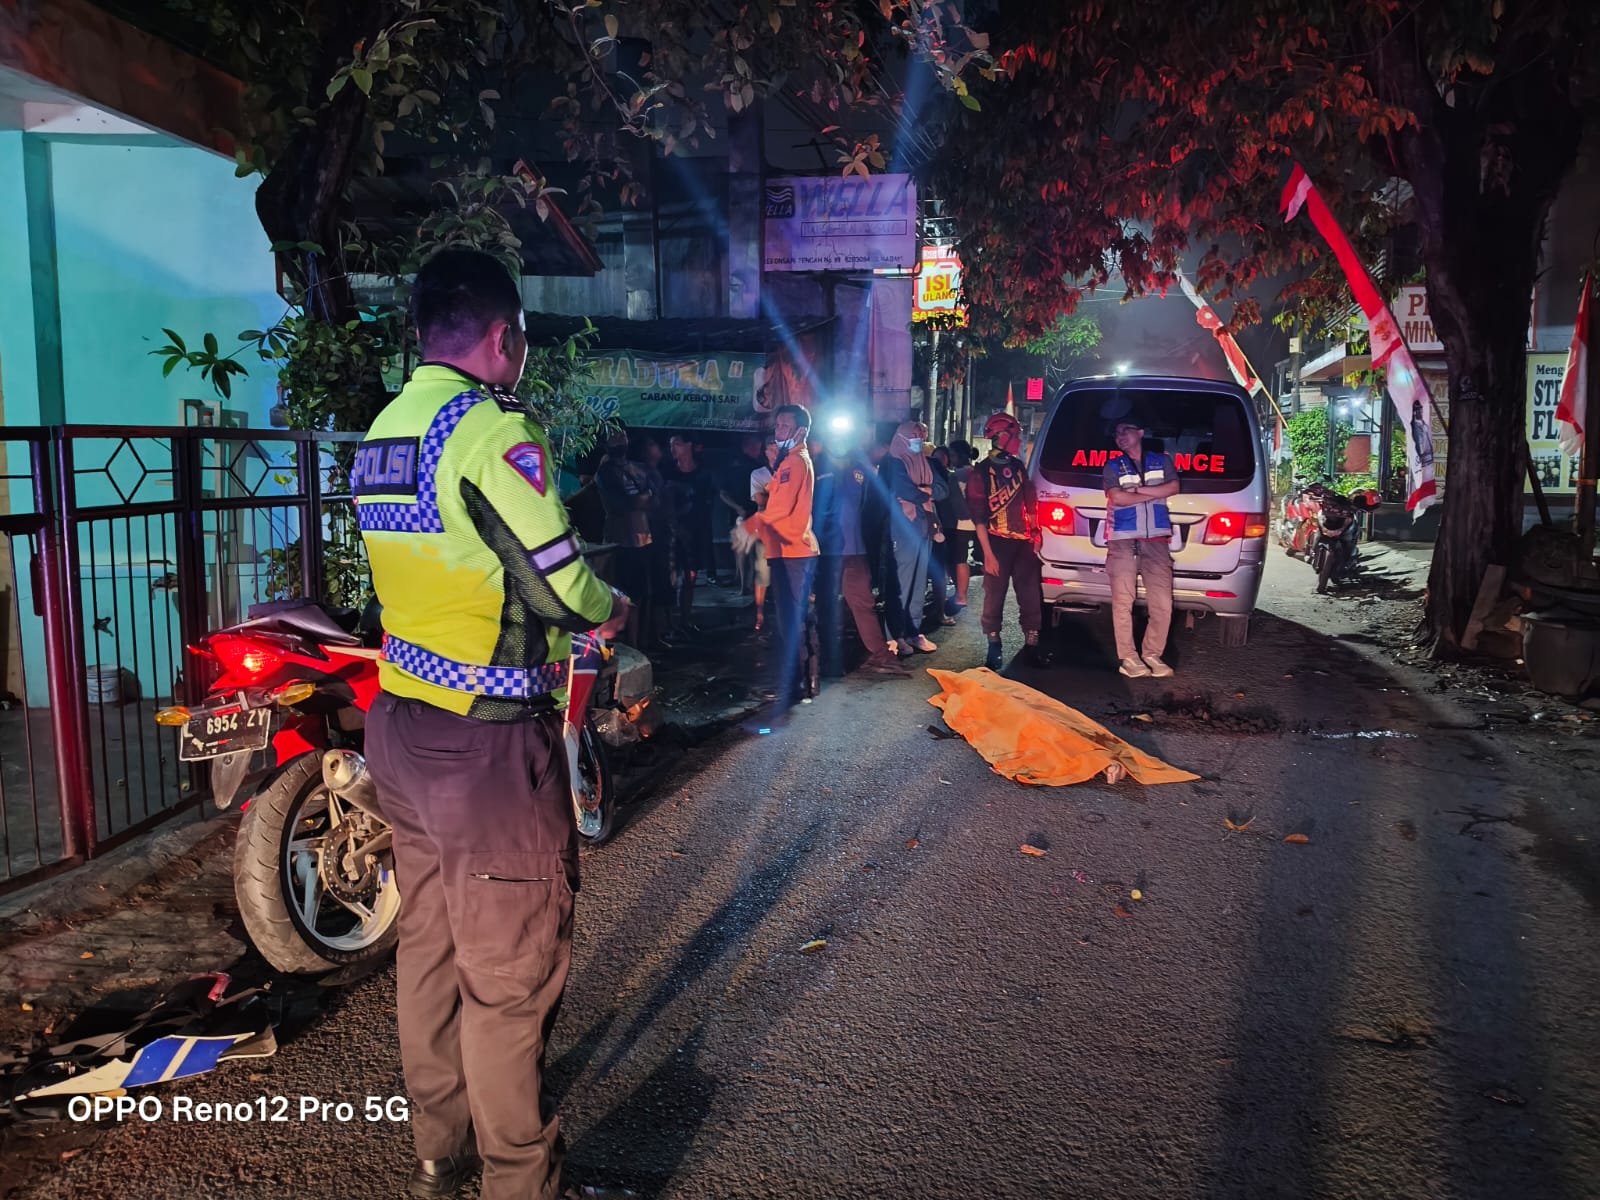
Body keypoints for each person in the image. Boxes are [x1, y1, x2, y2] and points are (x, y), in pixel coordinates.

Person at [353, 248, 630, 1200]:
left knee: (428, 940)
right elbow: (557, 581)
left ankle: (440, 1151)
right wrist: (607, 607)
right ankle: (521, 1184)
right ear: (504, 337)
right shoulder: (488, 434)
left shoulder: (383, 431)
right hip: (485, 740)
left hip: (399, 724)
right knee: (508, 973)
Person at [739, 404, 819, 707]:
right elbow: (772, 492)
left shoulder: (794, 463)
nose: (778, 431)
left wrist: (748, 527)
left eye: (785, 425)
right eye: (778, 425)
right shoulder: (794, 461)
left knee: (791, 621)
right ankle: (807, 682)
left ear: (800, 430)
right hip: (795, 549)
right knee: (801, 618)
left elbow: (776, 508)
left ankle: (796, 685)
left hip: (791, 551)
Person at [814, 421, 908, 677]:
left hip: (854, 550)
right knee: (824, 605)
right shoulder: (817, 467)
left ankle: (880, 655)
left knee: (862, 603)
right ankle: (824, 661)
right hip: (825, 551)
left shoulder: (861, 469)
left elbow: (876, 504)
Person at [969, 412, 1052, 670]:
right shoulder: (980, 473)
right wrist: (988, 555)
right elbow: (979, 519)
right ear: (1001, 437)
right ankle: (994, 646)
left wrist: (1036, 534)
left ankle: (1032, 646)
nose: (1018, 440)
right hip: (996, 543)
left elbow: (1030, 503)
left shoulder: (1017, 467)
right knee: (994, 596)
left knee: (1030, 596)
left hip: (1024, 545)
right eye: (1015, 435)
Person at [1104, 413, 1180, 678]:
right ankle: (1128, 658)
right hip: (1123, 540)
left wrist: (1136, 492)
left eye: (1126, 430)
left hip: (1157, 541)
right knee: (1123, 600)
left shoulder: (1162, 461)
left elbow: (1173, 488)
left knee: (1162, 603)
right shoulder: (1113, 466)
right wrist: (1150, 493)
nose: (1120, 435)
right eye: (1116, 432)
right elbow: (1116, 498)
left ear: (1141, 432)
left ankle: (1152, 654)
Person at [879, 420, 942, 655]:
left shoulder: (924, 461)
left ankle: (913, 632)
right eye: (914, 435)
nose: (919, 439)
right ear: (902, 437)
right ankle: (895, 636)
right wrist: (926, 492)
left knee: (919, 582)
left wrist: (928, 491)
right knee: (902, 583)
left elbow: (942, 487)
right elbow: (904, 490)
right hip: (903, 526)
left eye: (921, 435)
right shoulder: (893, 462)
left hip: (925, 525)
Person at [594, 429, 653, 646]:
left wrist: (642, 499)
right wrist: (642, 499)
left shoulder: (637, 468)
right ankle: (617, 644)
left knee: (640, 594)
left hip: (643, 539)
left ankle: (638, 644)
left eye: (622, 436)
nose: (620, 441)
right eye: (614, 437)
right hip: (619, 540)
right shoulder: (605, 473)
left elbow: (654, 497)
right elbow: (622, 503)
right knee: (620, 595)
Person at [662, 433, 717, 634]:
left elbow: (707, 504)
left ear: (689, 446)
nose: (673, 449)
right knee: (670, 579)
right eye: (671, 445)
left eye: (677, 444)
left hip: (696, 532)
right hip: (671, 534)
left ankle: (685, 620)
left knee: (690, 578)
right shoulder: (668, 472)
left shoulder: (703, 474)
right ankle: (667, 624)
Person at [719, 434, 767, 591]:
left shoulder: (757, 467)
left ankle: (746, 585)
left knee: (749, 551)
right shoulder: (742, 467)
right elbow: (723, 493)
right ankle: (744, 585)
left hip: (751, 513)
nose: (759, 450)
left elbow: (723, 493)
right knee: (744, 551)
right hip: (743, 513)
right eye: (757, 447)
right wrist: (737, 507)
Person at [747, 439, 779, 632]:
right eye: (771, 448)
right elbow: (760, 499)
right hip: (766, 530)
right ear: (765, 451)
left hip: (788, 530)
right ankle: (759, 612)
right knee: (762, 572)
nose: (775, 452)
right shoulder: (758, 474)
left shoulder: (789, 469)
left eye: (778, 448)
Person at [945, 440, 977, 615]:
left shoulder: (956, 475)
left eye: (952, 455)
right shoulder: (976, 472)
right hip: (977, 523)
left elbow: (954, 501)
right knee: (964, 559)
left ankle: (961, 595)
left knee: (959, 560)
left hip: (960, 523)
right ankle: (961, 593)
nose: (950, 458)